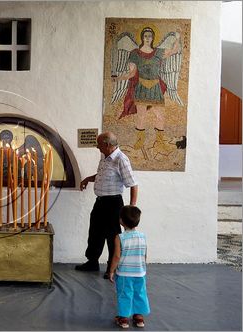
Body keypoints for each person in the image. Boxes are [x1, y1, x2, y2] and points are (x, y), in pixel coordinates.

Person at [76, 132, 138, 279]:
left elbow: (133, 184)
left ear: (107, 144)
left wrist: (131, 209)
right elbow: (101, 175)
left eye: (99, 144)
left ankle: (112, 267)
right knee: (95, 233)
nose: (97, 147)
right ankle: (92, 262)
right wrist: (87, 179)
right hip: (100, 202)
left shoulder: (121, 159)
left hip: (114, 204)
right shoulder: (104, 157)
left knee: (113, 237)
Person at [112, 27, 180, 153]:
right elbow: (132, 74)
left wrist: (177, 37)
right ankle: (140, 141)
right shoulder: (135, 54)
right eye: (145, 36)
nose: (148, 38)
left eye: (150, 36)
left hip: (155, 87)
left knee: (160, 116)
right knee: (141, 116)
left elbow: (174, 50)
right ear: (142, 37)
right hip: (142, 87)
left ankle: (159, 142)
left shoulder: (159, 52)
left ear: (153, 37)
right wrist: (119, 78)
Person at [109, 205, 150, 329]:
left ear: (121, 220)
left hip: (124, 274)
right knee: (140, 293)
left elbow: (116, 256)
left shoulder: (120, 237)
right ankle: (138, 317)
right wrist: (142, 267)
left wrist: (111, 270)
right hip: (140, 272)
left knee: (125, 294)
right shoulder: (142, 236)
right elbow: (145, 254)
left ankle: (124, 318)